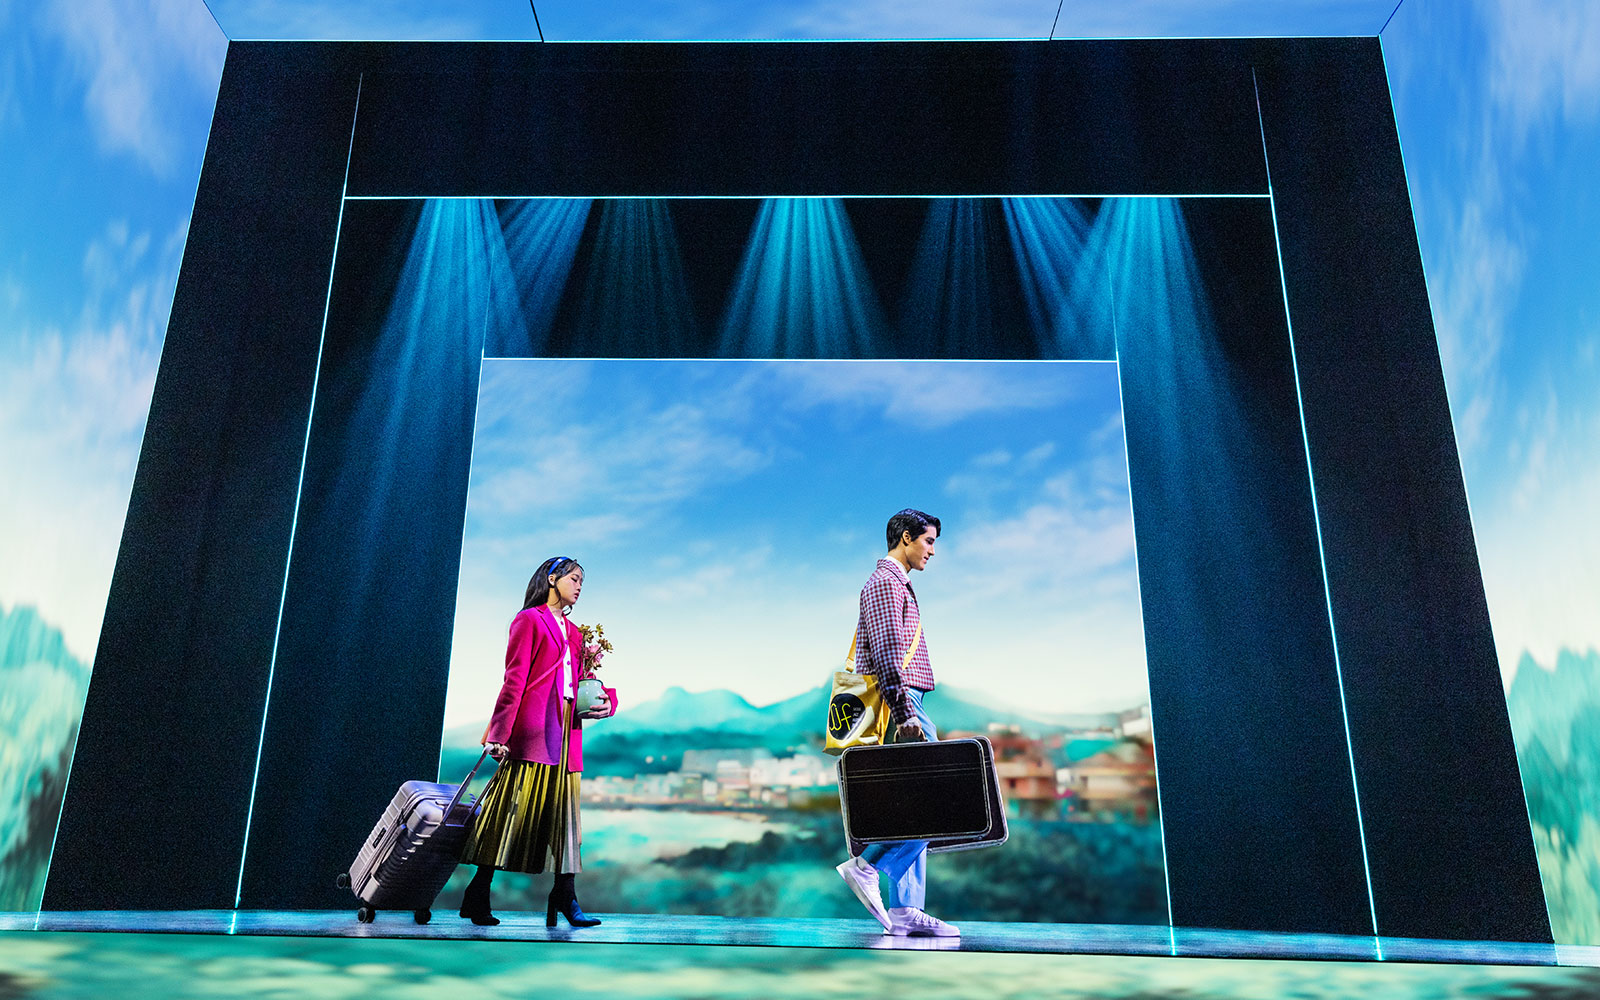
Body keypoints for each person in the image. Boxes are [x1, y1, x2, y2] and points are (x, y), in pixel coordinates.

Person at [457, 556, 618, 927]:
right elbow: (514, 680)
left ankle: (565, 894)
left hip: (567, 732)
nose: (579, 586)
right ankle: (478, 890)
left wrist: (607, 700)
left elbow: (584, 681)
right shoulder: (529, 620)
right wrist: (499, 735)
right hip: (533, 730)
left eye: (582, 581)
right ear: (552, 578)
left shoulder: (577, 633)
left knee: (567, 819)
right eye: (574, 578)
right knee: (508, 812)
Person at [836, 509, 960, 937]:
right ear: (906, 537)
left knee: (914, 803)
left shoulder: (894, 583)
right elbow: (888, 654)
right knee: (938, 792)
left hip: (904, 700)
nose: (932, 551)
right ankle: (867, 866)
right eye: (928, 541)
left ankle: (906, 909)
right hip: (901, 703)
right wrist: (906, 712)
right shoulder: (886, 583)